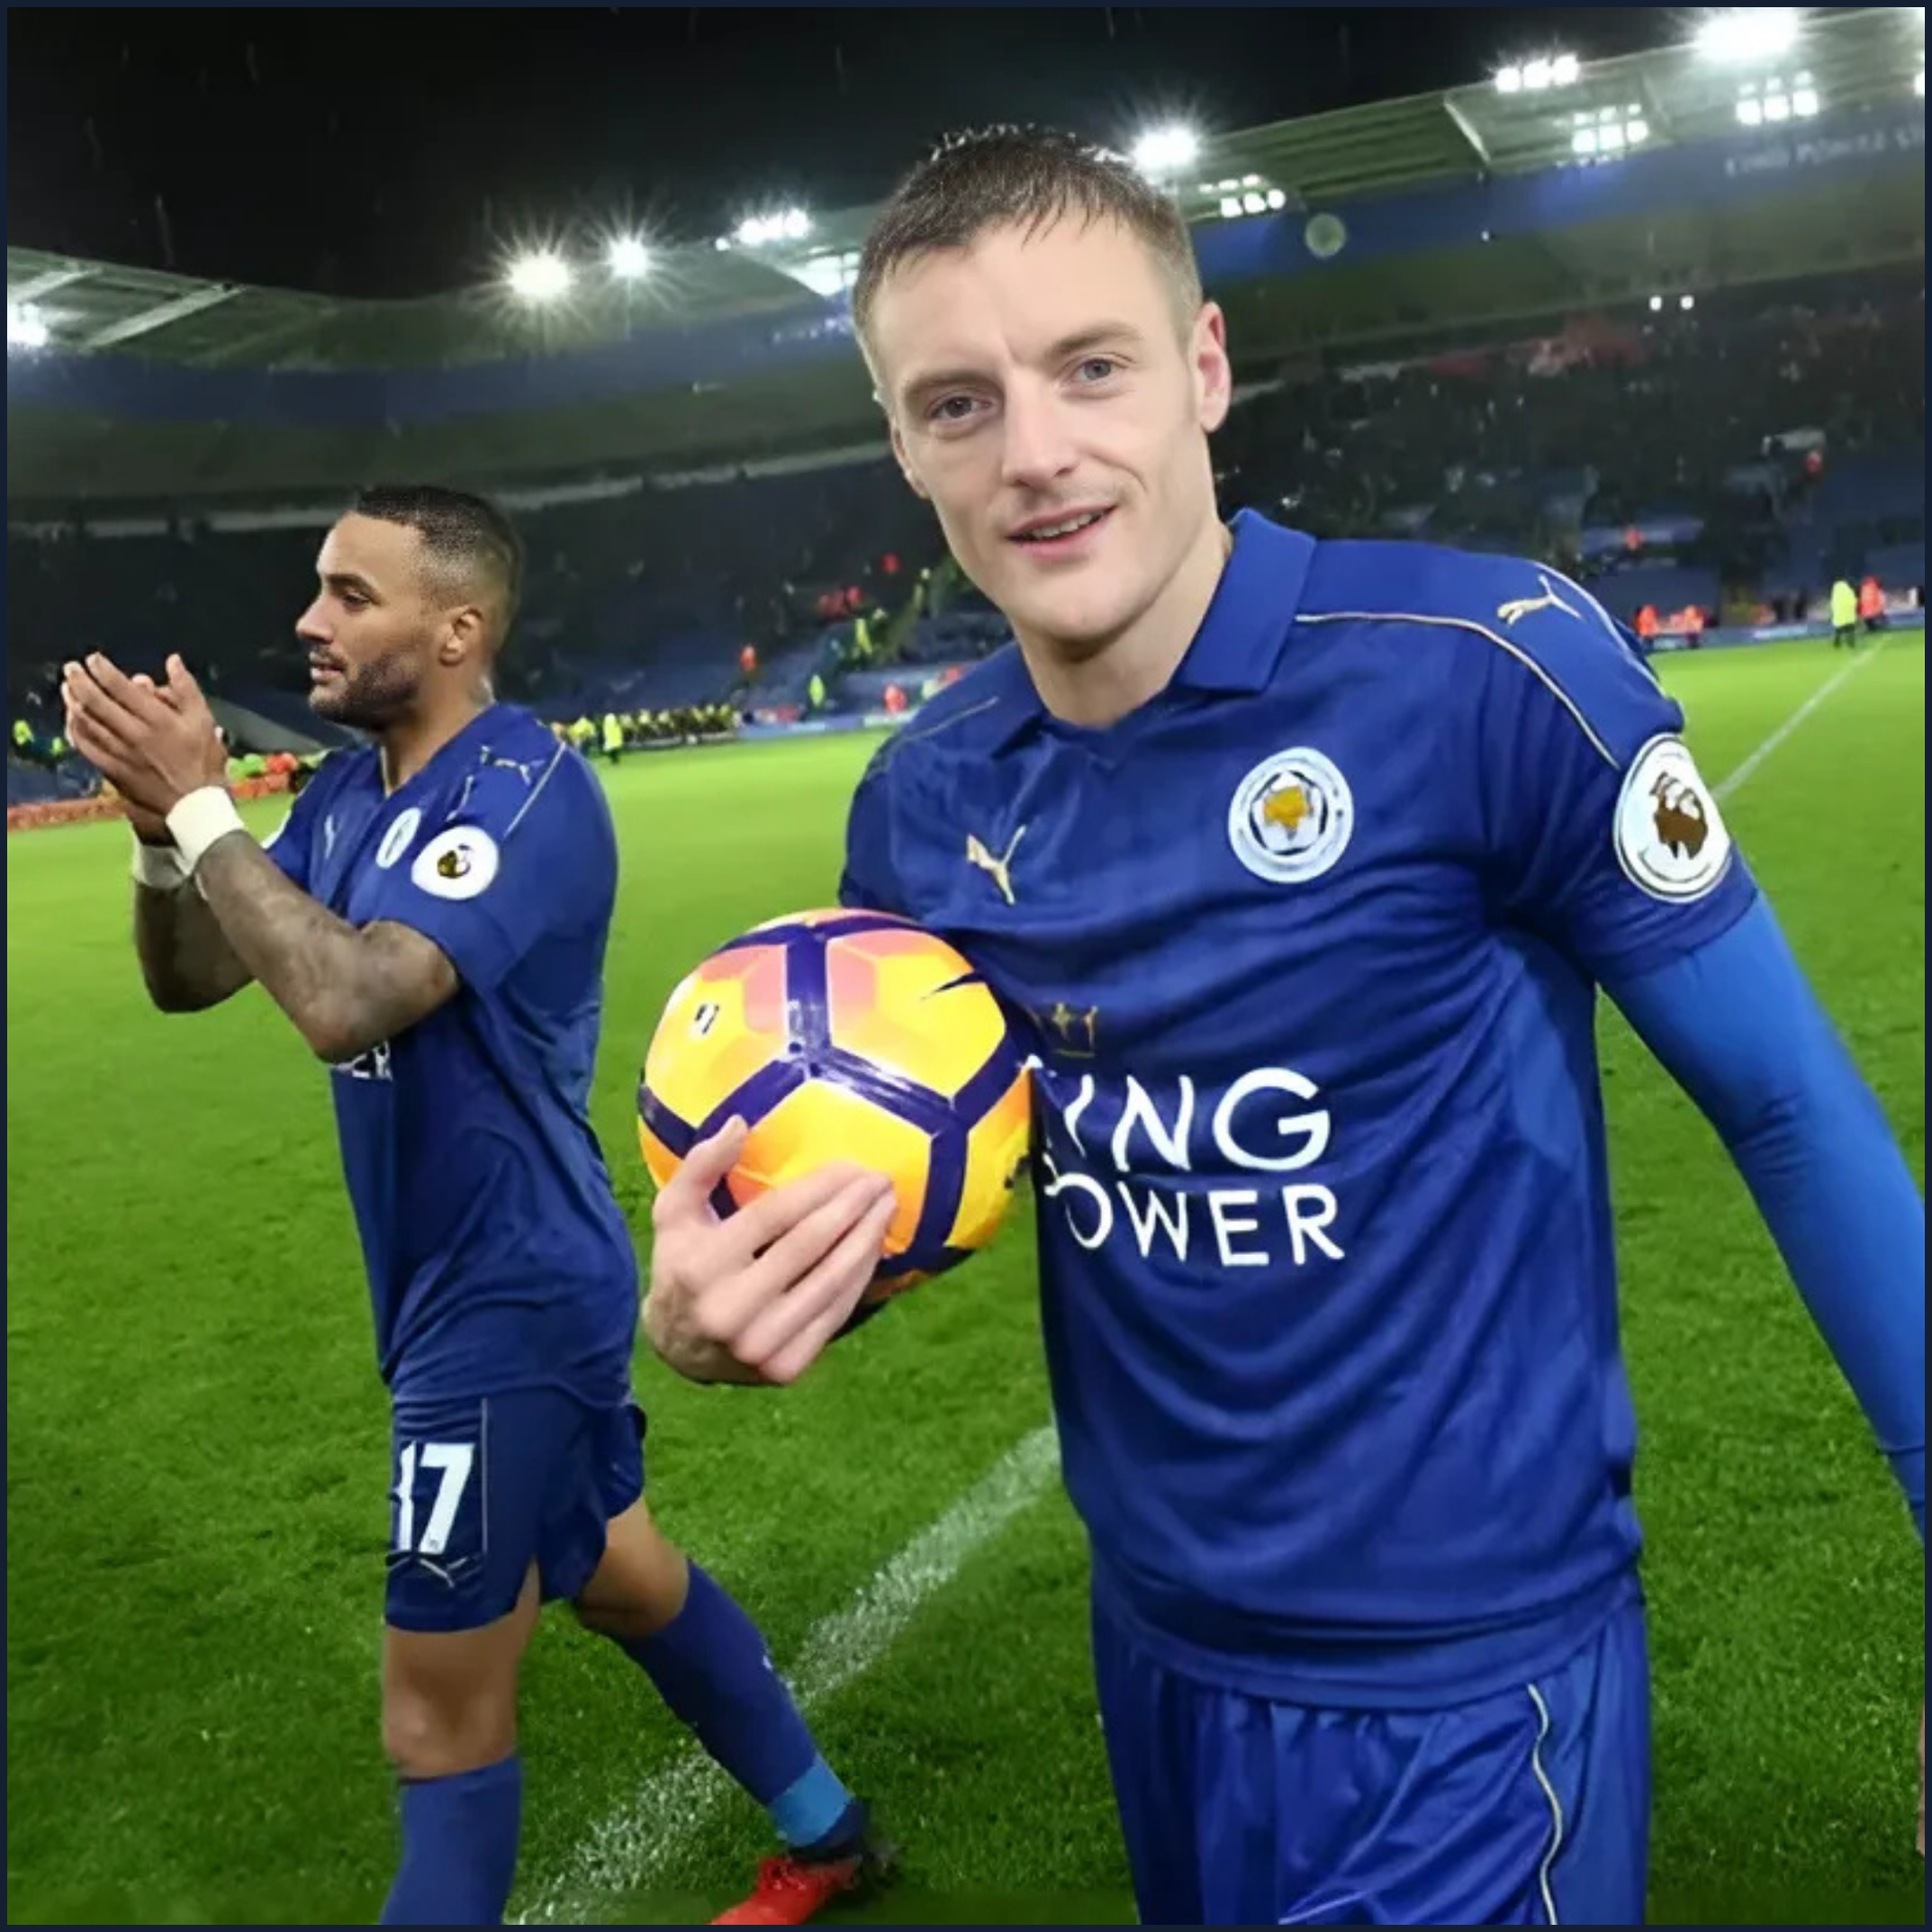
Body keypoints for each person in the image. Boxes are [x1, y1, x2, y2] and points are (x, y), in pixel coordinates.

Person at [641, 130, 1926, 1924]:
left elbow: (1784, 1104)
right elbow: (938, 1165)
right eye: (958, 402)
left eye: (1090, 366)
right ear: (903, 442)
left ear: (1203, 368)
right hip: (1159, 1655)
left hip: (1467, 1680)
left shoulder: (1483, 669)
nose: (1033, 452)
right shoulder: (925, 804)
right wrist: (743, 1295)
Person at [62, 485, 890, 1929]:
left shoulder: (522, 790)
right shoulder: (343, 799)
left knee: (434, 1718)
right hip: (452, 1279)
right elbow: (191, 976)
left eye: (350, 595)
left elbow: (350, 998)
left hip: (509, 1300)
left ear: (456, 630)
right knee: (624, 1580)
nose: (309, 622)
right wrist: (158, 835)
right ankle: (830, 1833)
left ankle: (822, 1836)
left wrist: (205, 805)